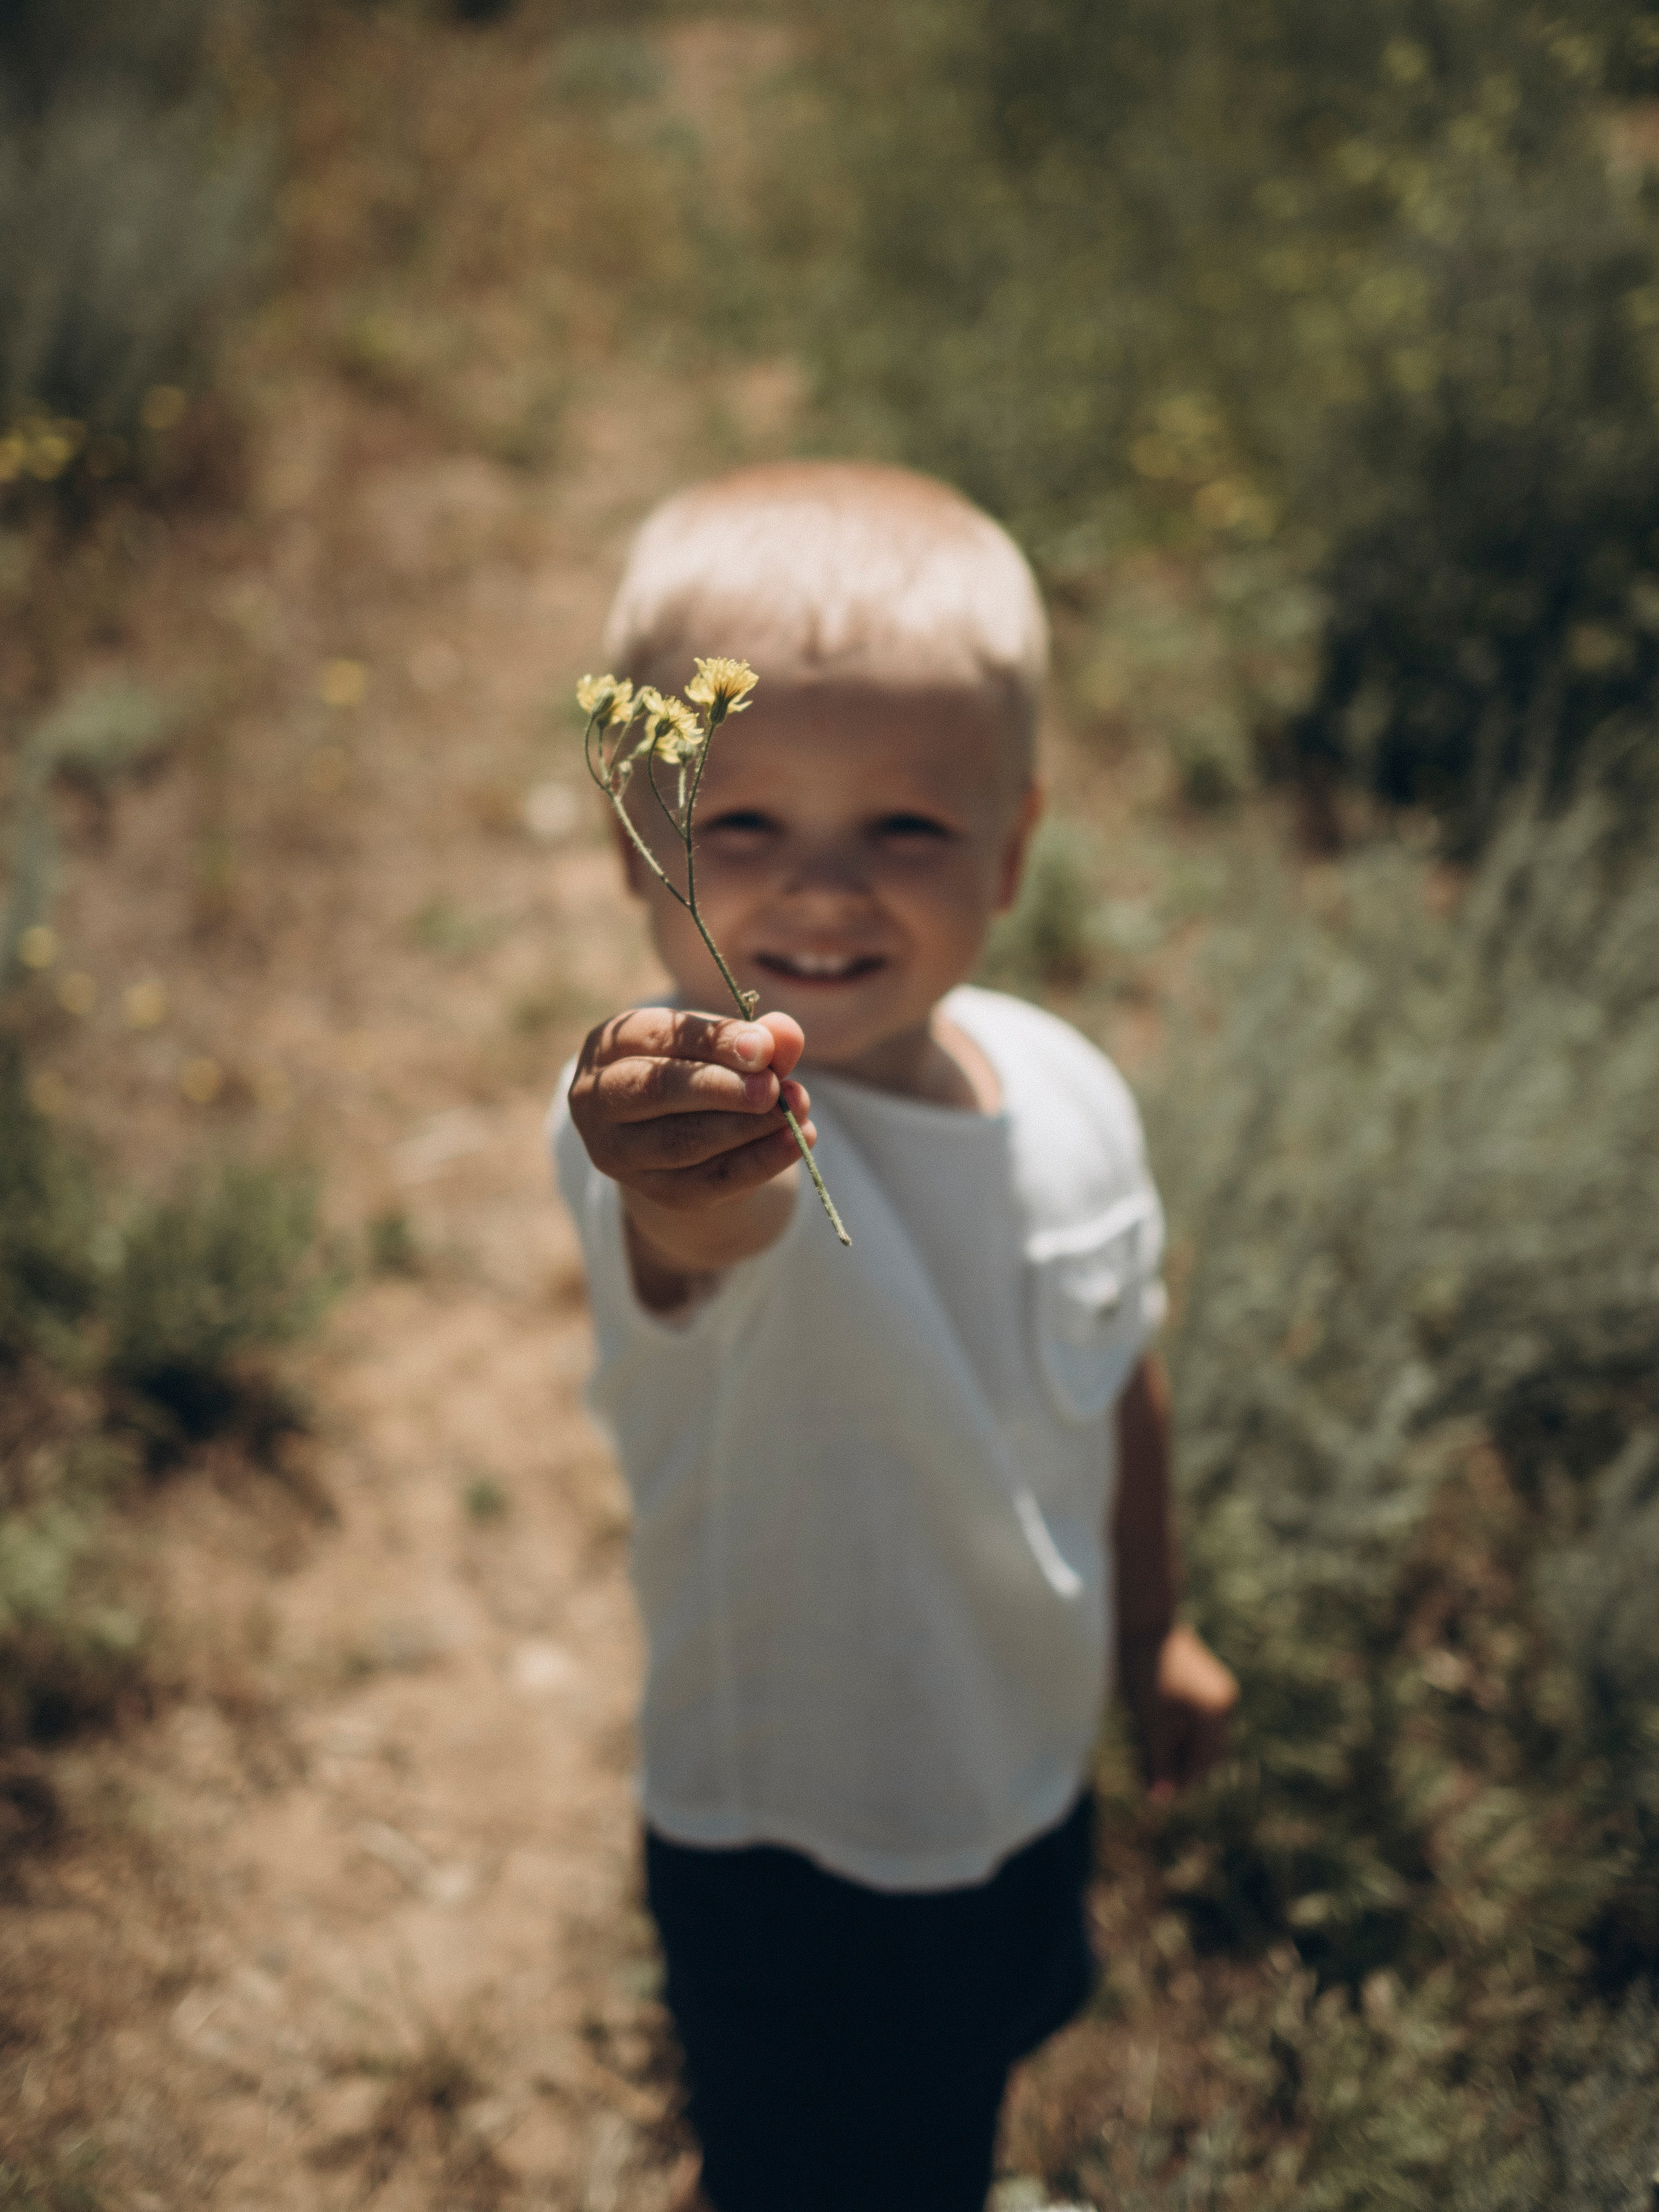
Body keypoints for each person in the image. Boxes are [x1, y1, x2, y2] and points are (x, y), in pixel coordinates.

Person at [551, 461, 1238, 2212]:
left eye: (908, 833)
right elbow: (703, 1233)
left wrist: (1155, 1630)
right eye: (743, 824)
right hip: (797, 1841)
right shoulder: (714, 1122)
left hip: (1018, 1769)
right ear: (637, 826)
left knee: (972, 2073)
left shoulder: (1072, 1089)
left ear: (1014, 846)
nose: (824, 896)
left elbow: (1116, 1372)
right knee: (816, 2166)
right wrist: (661, 1146)